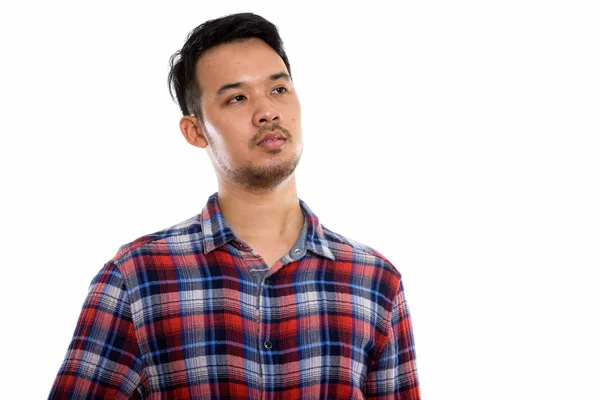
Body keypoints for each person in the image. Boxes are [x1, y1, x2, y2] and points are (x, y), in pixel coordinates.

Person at [49, 12, 420, 399]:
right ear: (195, 131)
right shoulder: (137, 279)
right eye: (237, 98)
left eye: (278, 90)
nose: (267, 112)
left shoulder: (374, 282)